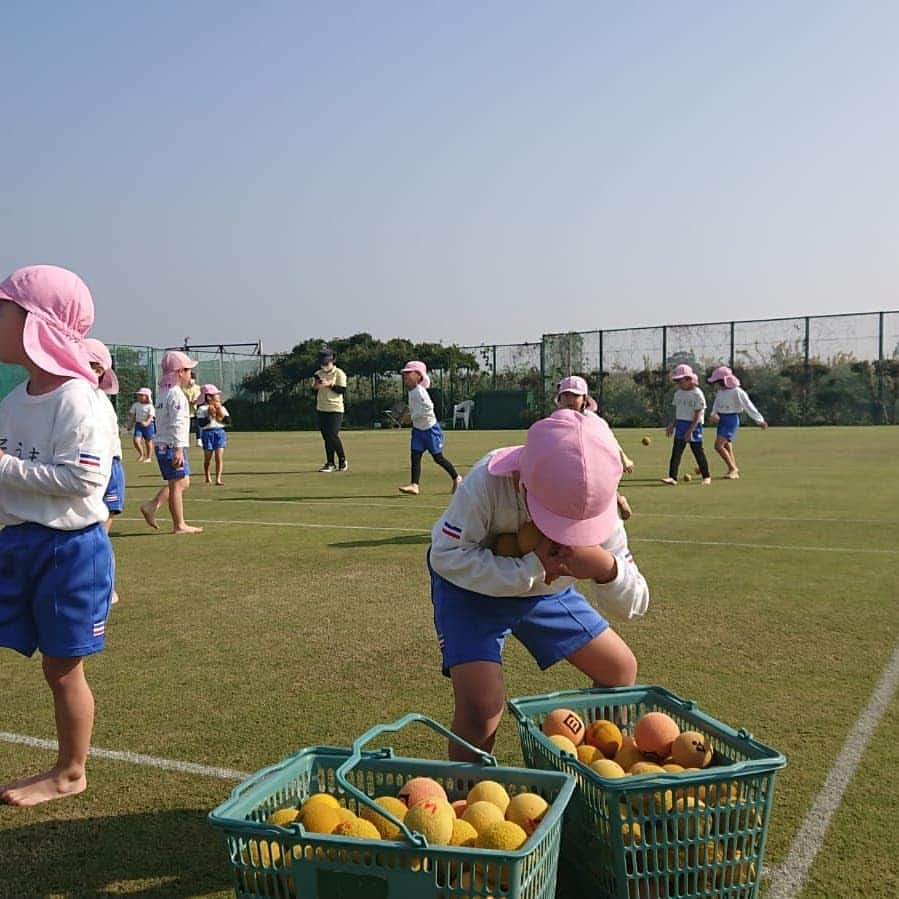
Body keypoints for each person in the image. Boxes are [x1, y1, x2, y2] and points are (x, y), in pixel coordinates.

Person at [428, 409, 649, 762]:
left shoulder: (598, 505)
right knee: (482, 706)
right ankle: (464, 801)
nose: (564, 532)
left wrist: (606, 568)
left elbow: (634, 601)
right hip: (469, 590)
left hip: (545, 590)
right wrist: (530, 566)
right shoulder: (488, 479)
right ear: (521, 480)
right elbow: (446, 555)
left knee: (619, 669)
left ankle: (603, 771)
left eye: (577, 526)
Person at [0, 264, 114, 807]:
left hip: (70, 551)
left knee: (62, 666)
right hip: (18, 543)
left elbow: (82, 480)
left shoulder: (77, 399)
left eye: (3, 309)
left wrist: (3, 469)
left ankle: (71, 772)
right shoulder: (14, 399)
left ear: (35, 325)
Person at [139, 350, 203, 534]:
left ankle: (152, 505)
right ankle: (179, 524)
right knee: (177, 483)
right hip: (170, 445)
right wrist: (177, 449)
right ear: (180, 372)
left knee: (183, 482)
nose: (191, 374)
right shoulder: (175, 395)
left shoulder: (163, 392)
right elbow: (178, 423)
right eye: (188, 370)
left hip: (164, 443)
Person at [554, 375, 634, 519]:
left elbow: (610, 441)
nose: (570, 399)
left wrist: (624, 458)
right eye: (566, 395)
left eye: (575, 395)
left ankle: (618, 499)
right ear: (559, 399)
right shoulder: (555, 421)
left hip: (594, 462)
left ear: (584, 399)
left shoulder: (593, 420)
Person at [84, 338, 124, 605]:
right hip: (105, 464)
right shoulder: (90, 398)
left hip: (105, 463)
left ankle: (101, 587)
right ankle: (102, 588)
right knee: (97, 532)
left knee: (95, 530)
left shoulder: (92, 398)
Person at [397, 361, 462, 496]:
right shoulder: (411, 392)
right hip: (418, 430)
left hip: (430, 430)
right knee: (415, 456)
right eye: (404, 374)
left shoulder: (421, 392)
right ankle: (415, 485)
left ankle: (457, 477)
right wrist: (409, 415)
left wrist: (411, 417)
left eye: (409, 373)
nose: (405, 376)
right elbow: (414, 409)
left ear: (419, 376)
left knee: (438, 458)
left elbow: (428, 408)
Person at [709, 373, 767, 479]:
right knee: (726, 445)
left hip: (731, 420)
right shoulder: (720, 392)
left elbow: (748, 405)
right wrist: (713, 414)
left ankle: (733, 468)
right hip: (722, 420)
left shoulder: (737, 391)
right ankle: (733, 470)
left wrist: (759, 420)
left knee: (718, 446)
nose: (715, 385)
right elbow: (716, 405)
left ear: (723, 381)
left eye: (716, 382)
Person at [663, 363, 711, 486]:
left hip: (694, 426)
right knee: (676, 453)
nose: (679, 383)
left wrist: (690, 430)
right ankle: (672, 477)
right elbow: (678, 411)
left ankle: (706, 477)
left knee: (698, 452)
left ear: (689, 379)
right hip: (681, 424)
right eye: (677, 381)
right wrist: (672, 424)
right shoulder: (678, 393)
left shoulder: (697, 394)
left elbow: (698, 414)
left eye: (681, 380)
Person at [312, 347, 348, 472]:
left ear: (332, 360)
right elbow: (313, 390)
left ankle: (342, 459)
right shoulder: (318, 374)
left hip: (335, 409)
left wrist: (330, 385)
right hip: (322, 408)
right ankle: (330, 463)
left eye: (326, 362)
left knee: (333, 435)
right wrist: (316, 386)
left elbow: (342, 390)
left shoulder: (339, 373)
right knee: (326, 436)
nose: (324, 365)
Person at [196, 383, 230, 486]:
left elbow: (228, 421)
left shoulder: (221, 407)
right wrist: (210, 416)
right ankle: (207, 475)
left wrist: (220, 412)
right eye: (215, 394)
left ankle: (218, 479)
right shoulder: (202, 409)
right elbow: (201, 424)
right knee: (208, 458)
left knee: (219, 457)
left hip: (219, 432)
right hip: (208, 433)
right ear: (208, 397)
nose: (218, 396)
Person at [127, 387, 156, 462]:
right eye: (139, 395)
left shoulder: (150, 406)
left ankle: (148, 457)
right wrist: (130, 424)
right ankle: (141, 454)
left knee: (148, 441)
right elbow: (133, 415)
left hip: (149, 426)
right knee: (136, 441)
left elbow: (150, 416)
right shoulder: (136, 405)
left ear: (147, 397)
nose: (139, 397)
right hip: (138, 425)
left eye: (141, 395)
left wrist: (146, 423)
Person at [182, 372, 202, 449]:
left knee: (198, 425)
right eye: (190, 378)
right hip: (186, 410)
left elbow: (201, 398)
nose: (191, 380)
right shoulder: (183, 388)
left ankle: (199, 440)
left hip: (196, 410)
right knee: (187, 426)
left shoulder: (198, 388)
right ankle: (185, 441)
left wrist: (196, 401)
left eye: (192, 378)